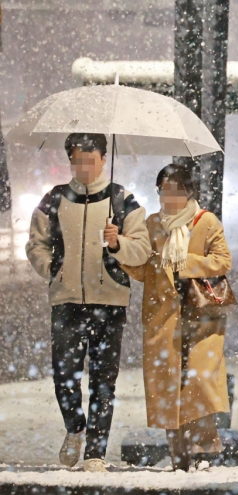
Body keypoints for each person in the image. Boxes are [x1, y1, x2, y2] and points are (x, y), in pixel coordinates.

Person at [25, 133, 150, 472]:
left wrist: (118, 242)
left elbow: (143, 250)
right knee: (64, 375)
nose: (83, 167)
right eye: (77, 160)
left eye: (90, 160)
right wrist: (52, 268)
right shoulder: (54, 199)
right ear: (69, 161)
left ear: (103, 159)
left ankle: (96, 450)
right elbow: (35, 244)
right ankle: (75, 427)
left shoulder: (122, 200)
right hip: (66, 301)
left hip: (109, 302)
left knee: (103, 381)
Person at [121, 164, 232, 471]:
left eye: (174, 192)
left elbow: (223, 261)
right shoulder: (152, 224)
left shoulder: (205, 221)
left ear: (188, 192)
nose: (168, 199)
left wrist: (187, 262)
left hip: (200, 317)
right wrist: (120, 248)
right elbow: (143, 269)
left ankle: (203, 451)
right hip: (163, 316)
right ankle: (178, 456)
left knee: (199, 380)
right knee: (169, 385)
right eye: (163, 192)